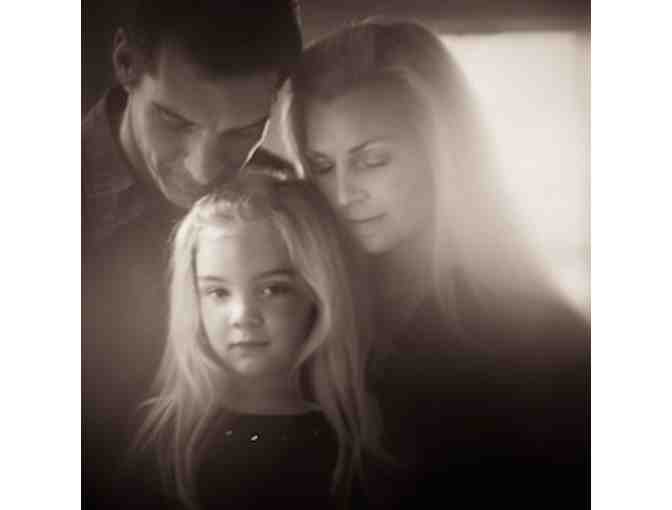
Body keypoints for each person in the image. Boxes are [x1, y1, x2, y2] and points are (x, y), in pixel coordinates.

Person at [284, 20, 589, 507]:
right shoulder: (302, 311)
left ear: (444, 150)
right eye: (321, 166)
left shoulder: (548, 338)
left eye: (373, 160)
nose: (342, 194)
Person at [82, 2, 302, 507]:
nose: (203, 169)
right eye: (174, 120)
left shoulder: (283, 193)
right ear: (125, 62)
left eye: (243, 131)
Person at [125, 174, 385, 509]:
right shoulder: (164, 435)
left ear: (317, 294)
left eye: (272, 289)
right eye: (218, 292)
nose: (242, 316)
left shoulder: (357, 439)